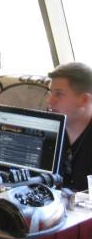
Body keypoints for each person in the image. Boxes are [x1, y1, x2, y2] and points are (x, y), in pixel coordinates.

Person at [47, 62, 92, 191]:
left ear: (84, 100)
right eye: (50, 93)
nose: (50, 101)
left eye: (59, 94)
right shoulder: (48, 130)